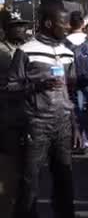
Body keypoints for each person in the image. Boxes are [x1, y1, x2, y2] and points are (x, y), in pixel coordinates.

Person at [6, 3, 80, 218]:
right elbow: (10, 87)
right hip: (36, 125)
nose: (67, 27)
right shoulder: (26, 51)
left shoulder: (67, 53)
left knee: (64, 179)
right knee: (30, 181)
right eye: (63, 23)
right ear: (48, 24)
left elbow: (70, 92)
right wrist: (36, 87)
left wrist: (74, 124)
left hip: (63, 125)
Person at [0, 12, 30, 217]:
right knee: (9, 170)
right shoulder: (2, 52)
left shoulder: (23, 49)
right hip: (7, 116)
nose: (21, 29)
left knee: (25, 168)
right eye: (16, 25)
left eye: (22, 25)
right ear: (6, 29)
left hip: (24, 115)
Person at [65, 11, 88, 153]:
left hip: (74, 83)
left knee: (78, 113)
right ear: (82, 24)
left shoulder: (64, 43)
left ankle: (83, 142)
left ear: (70, 24)